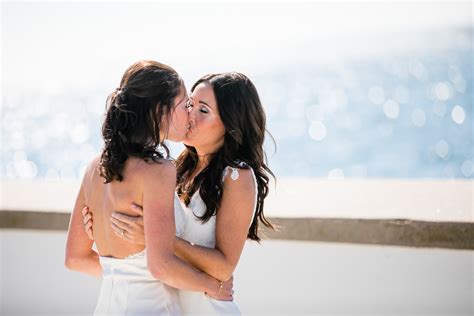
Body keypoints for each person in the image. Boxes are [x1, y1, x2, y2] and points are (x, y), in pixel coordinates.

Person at [83, 72, 275, 315]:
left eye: (203, 110)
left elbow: (223, 268)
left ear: (231, 123)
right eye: (190, 104)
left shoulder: (237, 176)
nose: (190, 115)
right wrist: (104, 225)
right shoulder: (176, 168)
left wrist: (159, 239)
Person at [65, 60, 233, 316]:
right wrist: (212, 285)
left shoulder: (94, 167)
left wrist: (121, 273)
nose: (190, 113)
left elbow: (75, 259)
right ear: (159, 111)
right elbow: (160, 267)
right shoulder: (158, 170)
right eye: (185, 104)